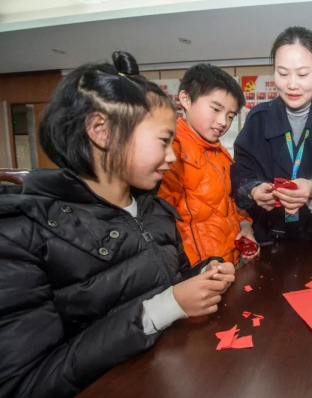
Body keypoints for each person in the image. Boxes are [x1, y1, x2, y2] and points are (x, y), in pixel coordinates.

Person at [0, 52, 235, 397]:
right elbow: (25, 384)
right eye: (163, 141)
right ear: (102, 131)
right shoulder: (22, 234)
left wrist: (204, 274)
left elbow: (173, 282)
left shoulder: (156, 212)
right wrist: (163, 307)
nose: (172, 157)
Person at [231, 26, 312, 242]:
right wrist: (254, 190)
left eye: (303, 74)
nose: (292, 84)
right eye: (283, 73)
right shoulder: (259, 118)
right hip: (266, 234)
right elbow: (242, 169)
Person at [158, 63, 257, 267]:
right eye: (215, 109)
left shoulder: (221, 153)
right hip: (197, 272)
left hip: (229, 263)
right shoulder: (171, 150)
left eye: (230, 116)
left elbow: (231, 205)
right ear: (185, 99)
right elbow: (160, 224)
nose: (223, 122)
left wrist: (246, 228)